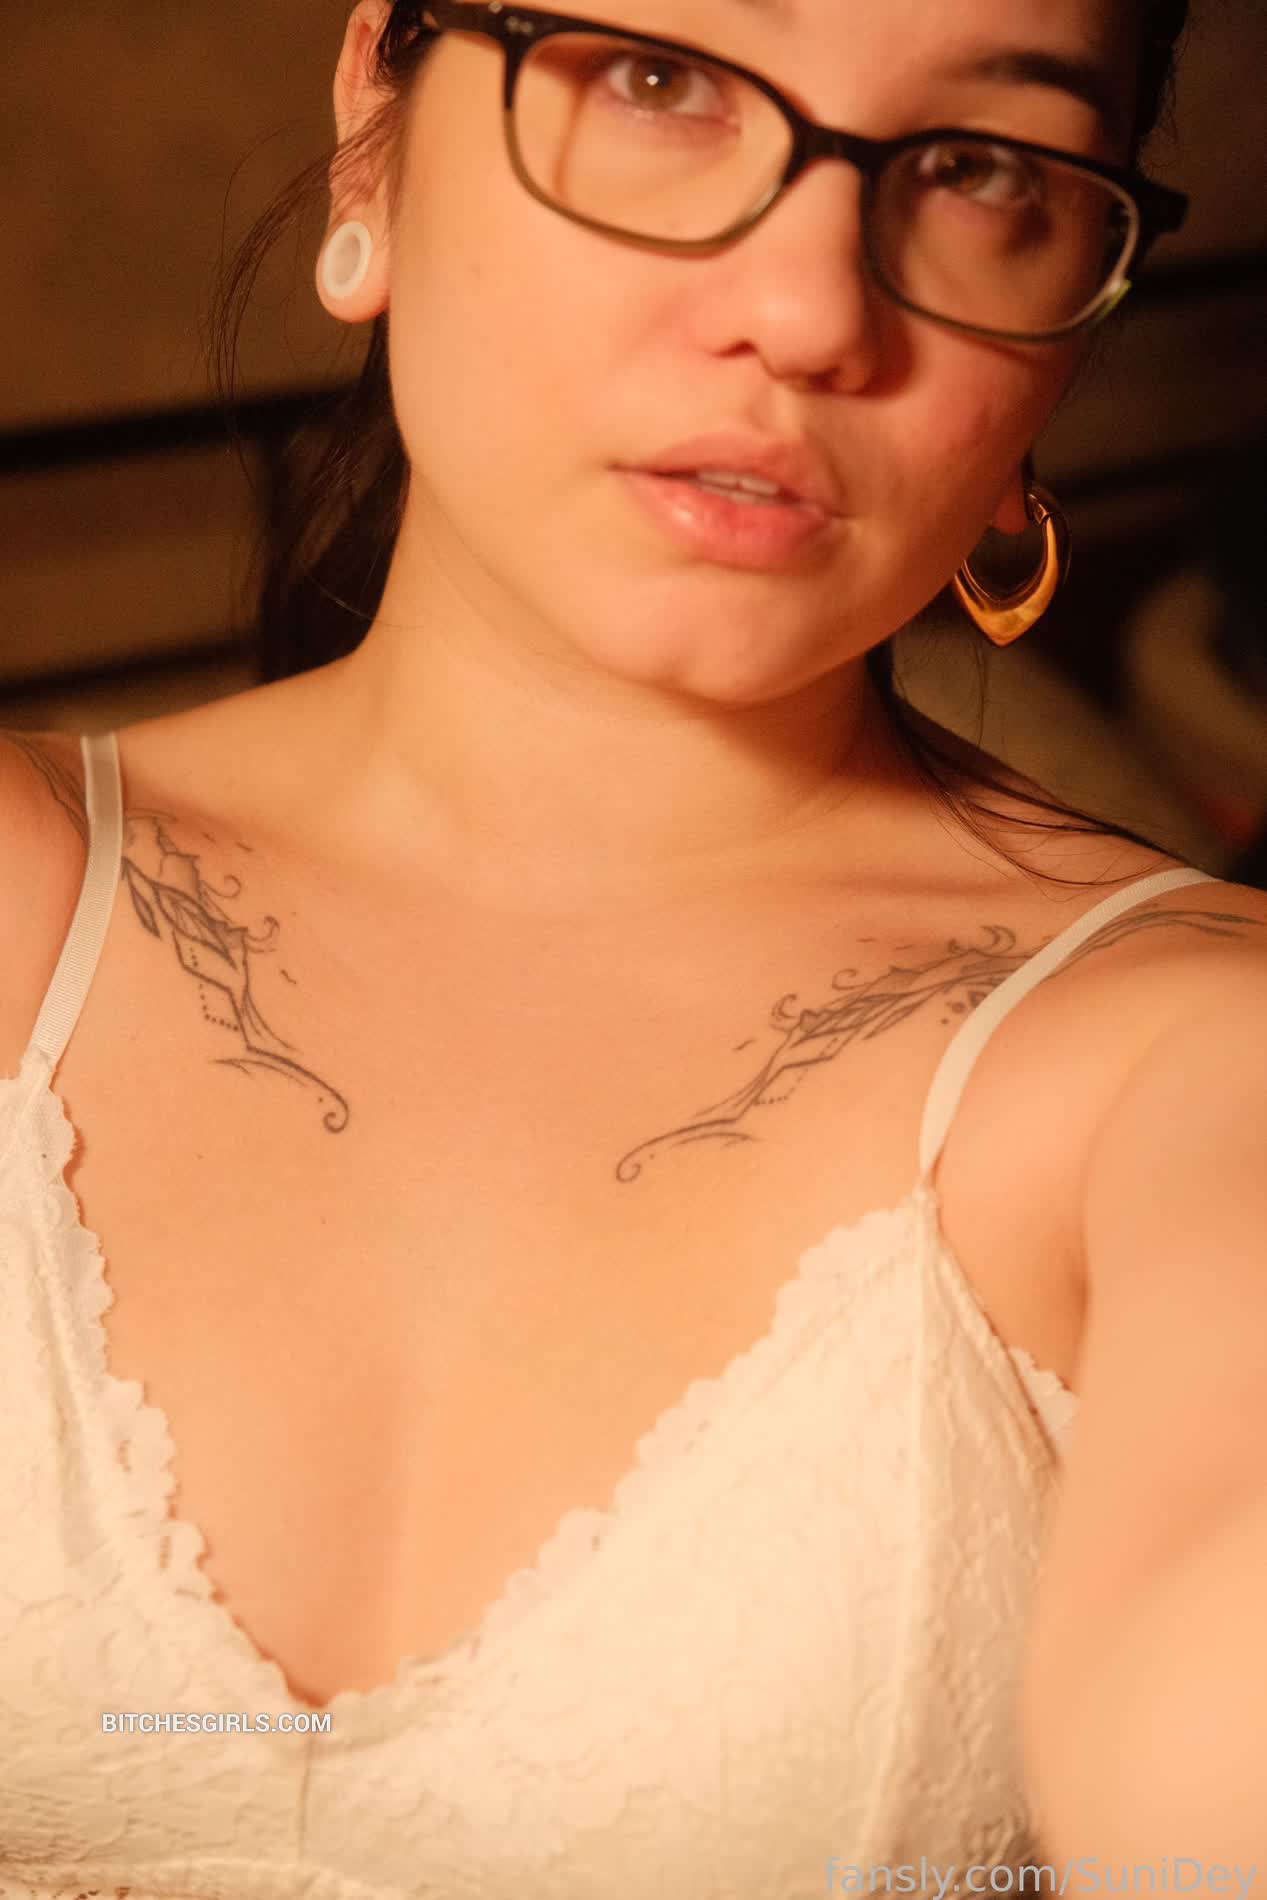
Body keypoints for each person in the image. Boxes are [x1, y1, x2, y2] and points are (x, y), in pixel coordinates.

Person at [2, 0, 1265, 1891]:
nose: (811, 313)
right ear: (376, 120)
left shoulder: (1189, 1063)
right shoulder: (30, 905)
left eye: (979, 167)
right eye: (663, 83)